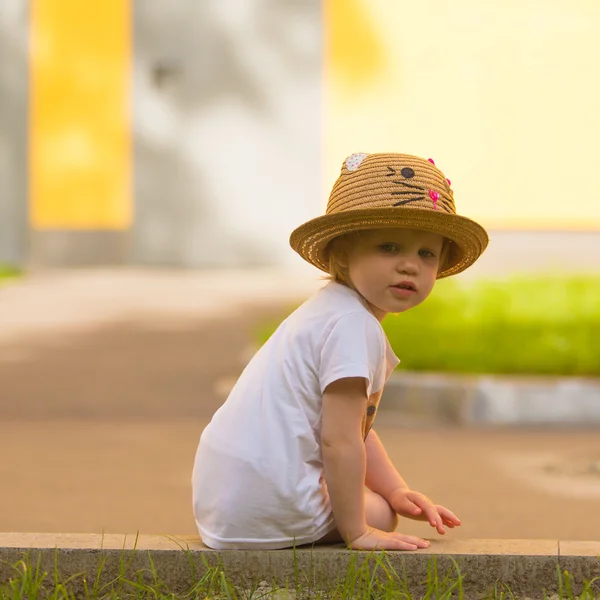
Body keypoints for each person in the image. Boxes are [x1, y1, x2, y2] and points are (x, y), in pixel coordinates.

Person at [192, 152, 489, 551]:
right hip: (266, 510)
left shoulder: (328, 310)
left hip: (228, 505)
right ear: (343, 254)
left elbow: (355, 426)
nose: (409, 266)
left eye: (426, 253)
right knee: (381, 515)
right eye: (389, 247)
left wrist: (397, 488)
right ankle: (346, 523)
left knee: (386, 502)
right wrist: (359, 532)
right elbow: (340, 441)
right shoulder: (353, 325)